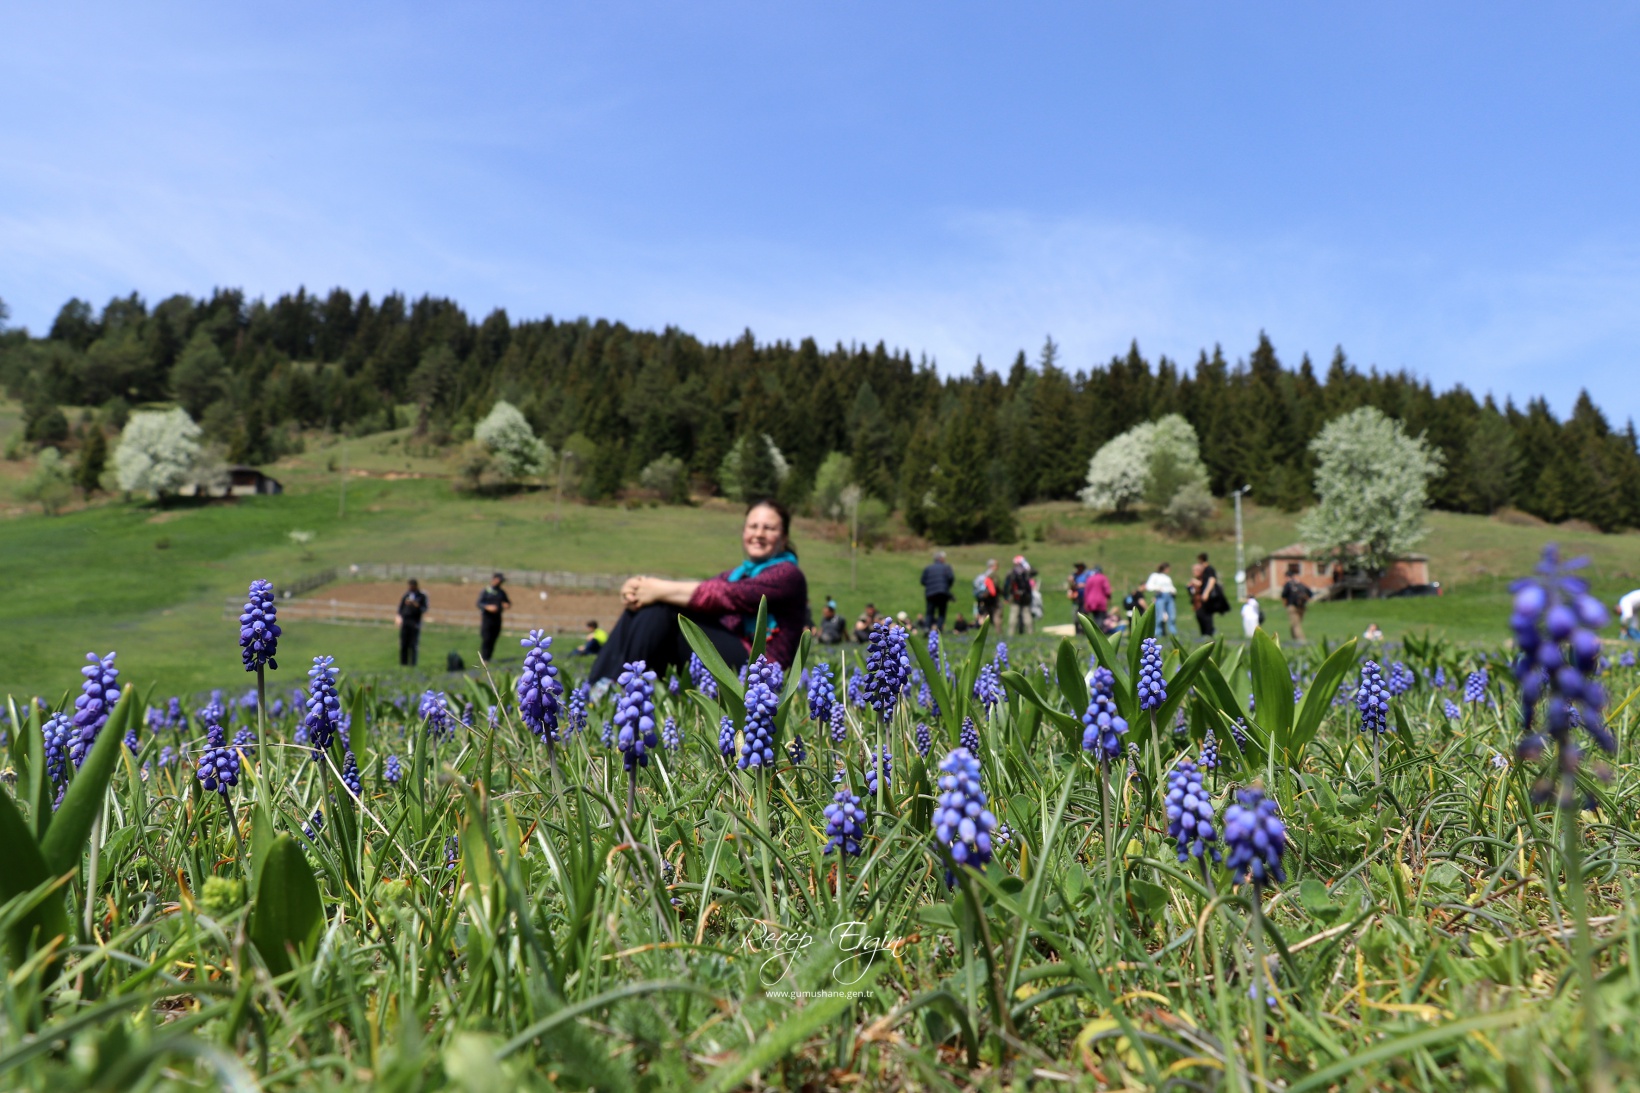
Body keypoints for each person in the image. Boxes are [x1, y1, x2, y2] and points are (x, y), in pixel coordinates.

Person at [590, 498, 809, 682]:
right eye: (753, 526)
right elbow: (705, 594)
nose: (758, 534)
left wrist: (656, 588)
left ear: (784, 538)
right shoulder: (736, 574)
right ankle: (602, 686)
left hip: (761, 671)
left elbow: (725, 596)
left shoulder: (788, 574)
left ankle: (621, 687)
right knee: (652, 607)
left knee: (664, 607)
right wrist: (639, 591)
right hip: (730, 655)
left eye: (769, 528)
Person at [1189, 553, 1227, 638]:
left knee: (1206, 615)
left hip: (1208, 597)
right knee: (1202, 614)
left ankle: (1208, 633)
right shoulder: (1206, 570)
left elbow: (1212, 580)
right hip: (1204, 596)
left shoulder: (1209, 569)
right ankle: (1205, 633)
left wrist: (1206, 592)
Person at [477, 572, 511, 662]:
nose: (501, 582)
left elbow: (508, 603)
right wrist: (488, 607)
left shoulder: (501, 592)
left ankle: (488, 658)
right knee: (486, 638)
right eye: (500, 580)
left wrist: (506, 605)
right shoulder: (486, 591)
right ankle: (484, 658)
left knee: (493, 638)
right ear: (494, 579)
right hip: (487, 619)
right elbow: (479, 603)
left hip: (497, 618)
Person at [395, 579, 429, 667]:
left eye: (412, 586)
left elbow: (424, 608)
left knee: (413, 644)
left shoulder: (421, 596)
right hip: (405, 621)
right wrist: (399, 617)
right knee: (404, 644)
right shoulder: (406, 595)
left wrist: (415, 604)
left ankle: (413, 664)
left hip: (415, 622)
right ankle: (403, 664)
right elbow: (400, 608)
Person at [921, 550, 956, 631]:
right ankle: (939, 629)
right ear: (941, 559)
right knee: (941, 612)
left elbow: (923, 581)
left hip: (930, 593)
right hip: (943, 593)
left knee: (930, 612)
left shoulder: (928, 568)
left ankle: (927, 628)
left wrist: (929, 585)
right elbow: (951, 578)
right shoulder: (946, 567)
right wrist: (947, 586)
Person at [1002, 555, 1037, 636]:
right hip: (1026, 596)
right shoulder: (1026, 571)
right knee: (1027, 614)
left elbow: (1006, 585)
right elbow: (1035, 572)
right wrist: (1028, 565)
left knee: (1014, 614)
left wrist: (1006, 596)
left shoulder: (1011, 572)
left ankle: (1011, 633)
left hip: (1015, 596)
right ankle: (1030, 632)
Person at [1280, 565, 1312, 644]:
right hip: (1302, 606)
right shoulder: (1300, 584)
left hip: (1292, 606)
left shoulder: (1288, 584)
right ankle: (1294, 638)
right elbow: (1310, 593)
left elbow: (1283, 594)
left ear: (1287, 576)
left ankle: (1301, 640)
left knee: (1295, 624)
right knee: (1296, 623)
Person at [1145, 562, 1178, 637]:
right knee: (1160, 616)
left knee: (1172, 616)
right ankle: (1158, 633)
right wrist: (1157, 588)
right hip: (1160, 596)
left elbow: (1170, 586)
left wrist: (1173, 590)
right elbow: (1149, 586)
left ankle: (1173, 633)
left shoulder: (1167, 577)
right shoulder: (1155, 576)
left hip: (1169, 596)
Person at [1079, 564, 1113, 629]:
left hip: (1090, 601)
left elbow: (1086, 591)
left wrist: (1086, 601)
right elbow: (1107, 590)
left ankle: (1094, 629)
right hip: (1100, 601)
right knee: (1100, 617)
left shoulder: (1089, 578)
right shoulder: (1103, 578)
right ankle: (1099, 631)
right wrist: (1109, 597)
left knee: (1095, 616)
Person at [972, 560, 1001, 633]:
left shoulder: (983, 575)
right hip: (993, 599)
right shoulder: (992, 575)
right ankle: (998, 632)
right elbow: (995, 588)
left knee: (985, 615)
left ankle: (983, 633)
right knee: (996, 615)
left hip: (984, 598)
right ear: (993, 566)